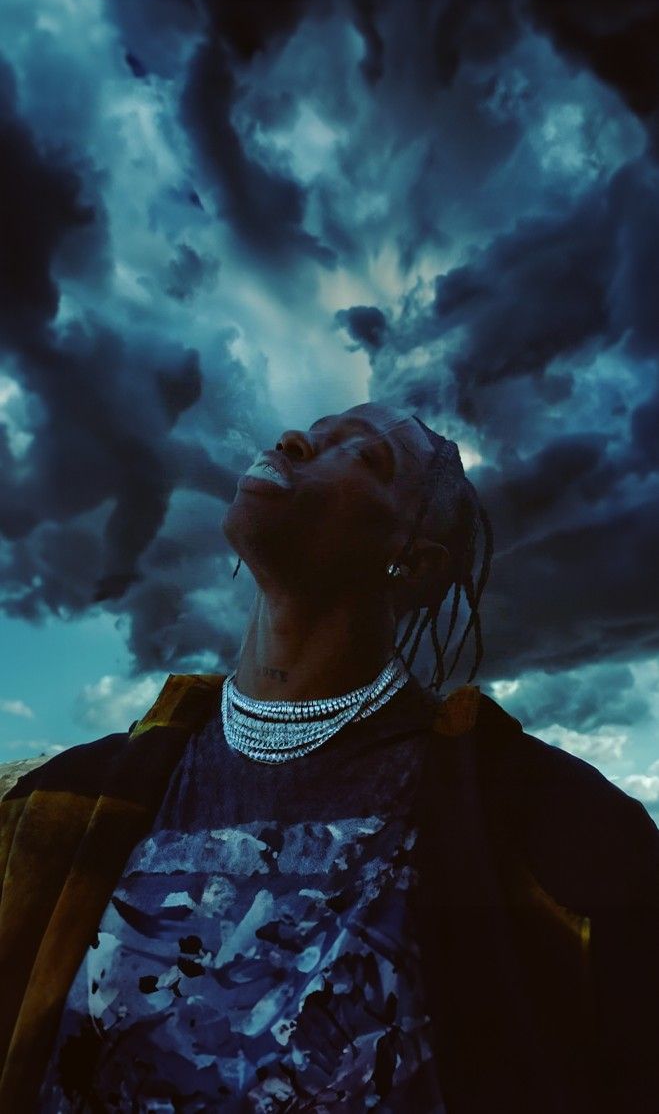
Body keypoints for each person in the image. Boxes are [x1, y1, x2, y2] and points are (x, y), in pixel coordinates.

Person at [0, 403, 657, 1113]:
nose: (293, 440)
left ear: (415, 559)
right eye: (311, 432)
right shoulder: (55, 806)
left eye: (365, 456)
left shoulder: (558, 827)